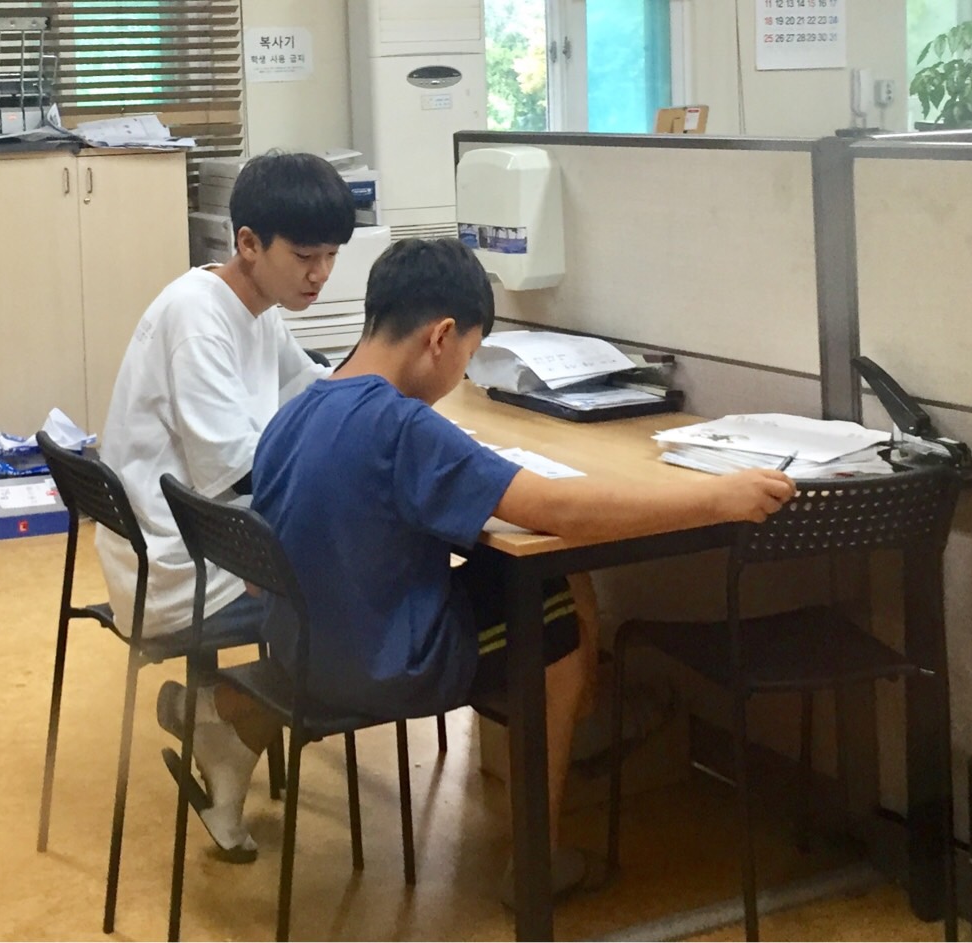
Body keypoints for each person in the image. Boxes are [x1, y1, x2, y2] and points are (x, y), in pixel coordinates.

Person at [237, 237, 797, 900]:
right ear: (440, 337)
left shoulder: (301, 407)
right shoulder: (402, 427)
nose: (460, 377)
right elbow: (558, 509)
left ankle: (569, 745)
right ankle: (538, 859)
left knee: (526, 581)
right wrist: (717, 498)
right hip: (379, 667)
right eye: (468, 355)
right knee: (553, 613)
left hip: (300, 648)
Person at [95, 151, 355, 861]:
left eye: (332, 256)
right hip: (174, 565)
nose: (320, 274)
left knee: (339, 576)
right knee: (348, 602)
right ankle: (220, 712)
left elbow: (311, 391)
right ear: (248, 243)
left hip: (201, 537)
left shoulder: (256, 311)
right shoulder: (199, 316)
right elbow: (233, 474)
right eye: (305, 256)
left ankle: (221, 735)